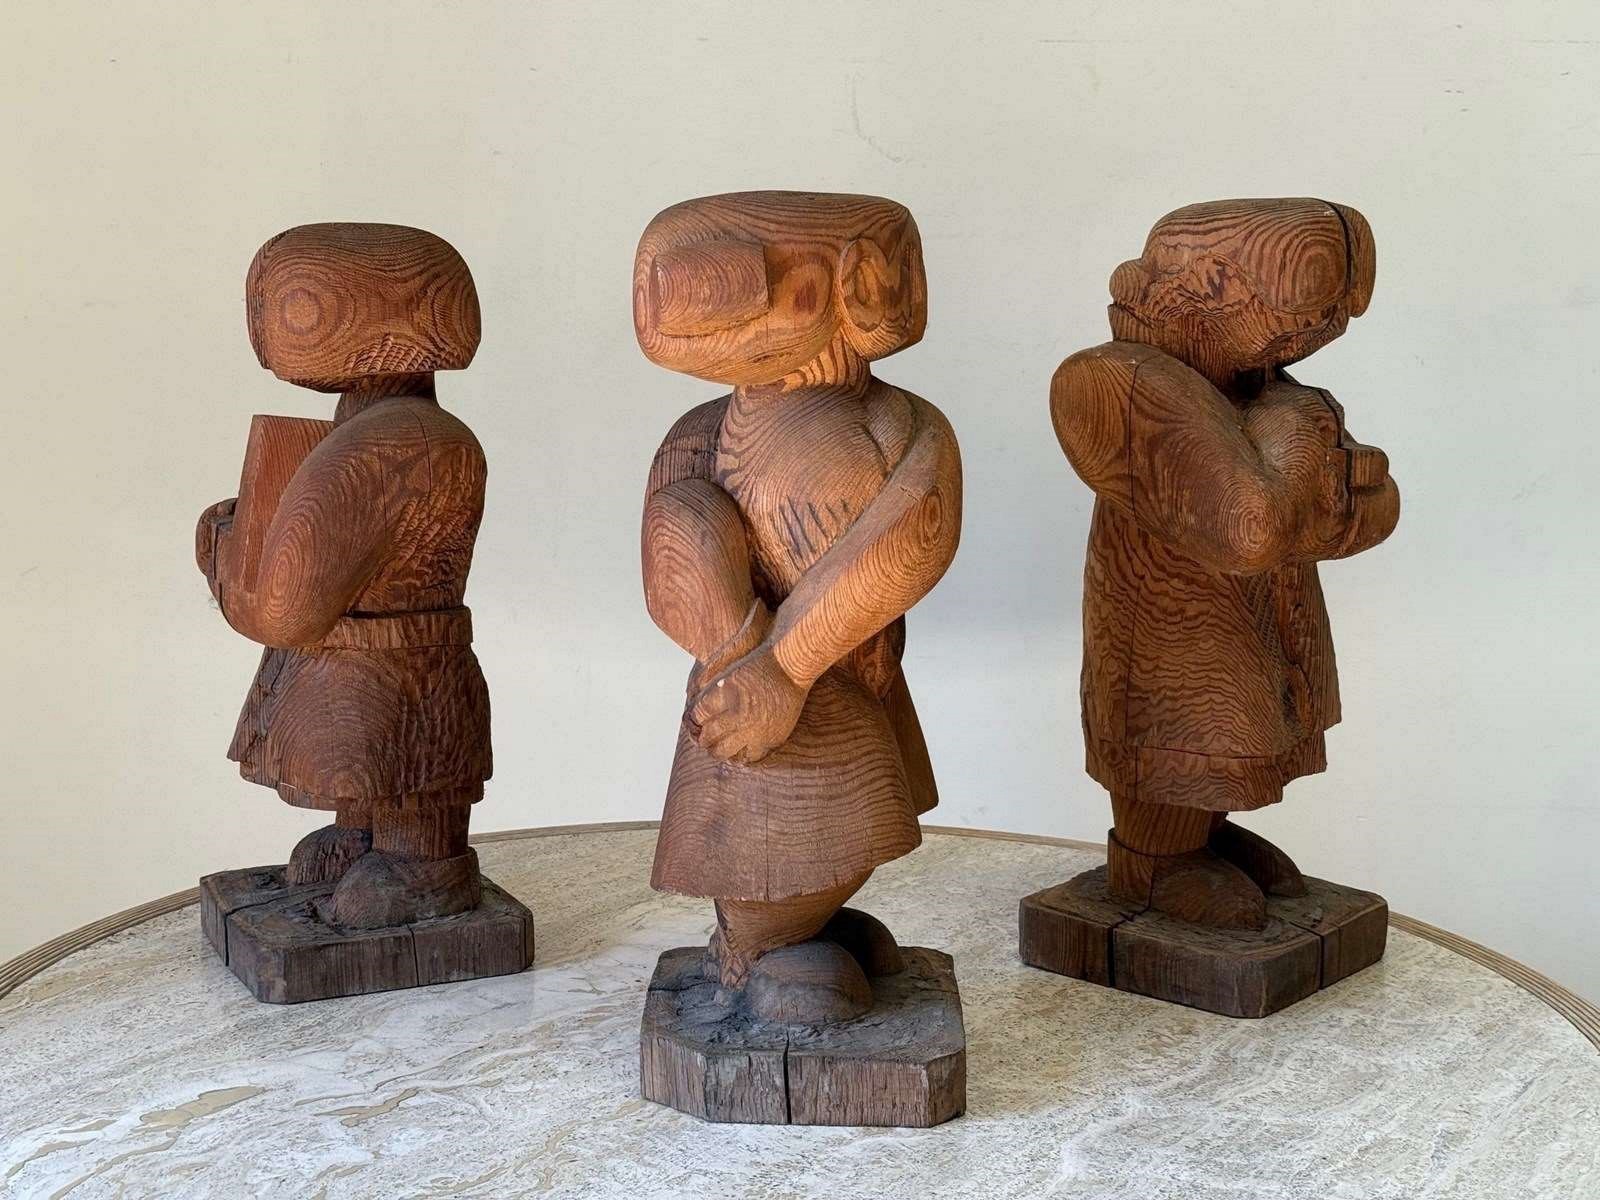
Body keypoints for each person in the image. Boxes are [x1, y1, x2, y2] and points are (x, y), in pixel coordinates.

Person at [636, 192, 962, 1021]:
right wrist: (742, 656)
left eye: (742, 275)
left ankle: (792, 936)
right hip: (753, 691)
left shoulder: (900, 423)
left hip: (830, 668)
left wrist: (788, 663)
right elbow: (670, 556)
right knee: (778, 818)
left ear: (860, 284)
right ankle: (759, 952)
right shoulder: (697, 434)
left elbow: (910, 539)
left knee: (848, 819)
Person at [1050, 199, 1400, 929]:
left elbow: (1368, 508)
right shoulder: (1116, 381)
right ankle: (1151, 861)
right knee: (1183, 731)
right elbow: (1249, 528)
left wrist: (1328, 496)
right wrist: (1299, 439)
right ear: (1208, 286)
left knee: (1234, 738)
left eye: (1330, 321)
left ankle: (1203, 837)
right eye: (1300, 316)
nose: (1312, 339)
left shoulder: (1259, 385)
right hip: (1174, 628)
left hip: (1259, 617)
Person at [196, 223, 492, 929]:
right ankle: (365, 834)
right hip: (366, 657)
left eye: (294, 306)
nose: (261, 328)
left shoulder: (396, 440)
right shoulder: (374, 427)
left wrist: (218, 544)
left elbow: (286, 608)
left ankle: (429, 864)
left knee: (411, 766)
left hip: (401, 661)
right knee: (371, 756)